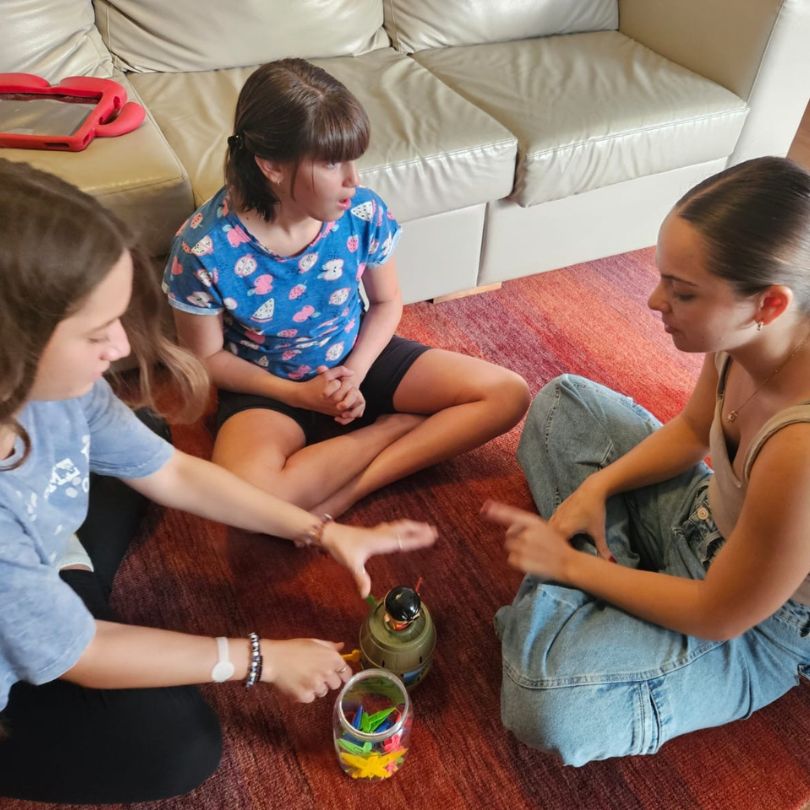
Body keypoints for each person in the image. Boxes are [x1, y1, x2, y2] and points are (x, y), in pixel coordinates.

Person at [0, 158, 437, 804]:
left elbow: (171, 471)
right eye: (97, 333)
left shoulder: (62, 392)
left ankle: (50, 596)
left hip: (27, 563)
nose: (120, 349)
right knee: (180, 744)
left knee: (146, 434)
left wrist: (322, 529)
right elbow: (83, 654)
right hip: (27, 610)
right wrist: (258, 658)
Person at [483, 156, 810, 766]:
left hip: (758, 626)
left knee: (543, 701)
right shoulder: (749, 337)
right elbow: (690, 429)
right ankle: (606, 587)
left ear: (768, 304)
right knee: (562, 404)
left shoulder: (800, 449)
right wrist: (598, 489)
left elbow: (719, 613)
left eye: (683, 293)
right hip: (705, 518)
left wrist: (570, 567)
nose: (655, 300)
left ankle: (589, 584)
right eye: (664, 277)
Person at [163, 58, 530, 518]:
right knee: (247, 501)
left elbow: (386, 302)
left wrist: (354, 373)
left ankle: (357, 486)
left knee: (508, 393)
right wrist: (300, 395)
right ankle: (390, 430)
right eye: (333, 162)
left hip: (358, 355)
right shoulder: (202, 248)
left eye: (352, 159)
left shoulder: (361, 213)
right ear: (271, 166)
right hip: (269, 384)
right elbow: (207, 360)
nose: (353, 180)